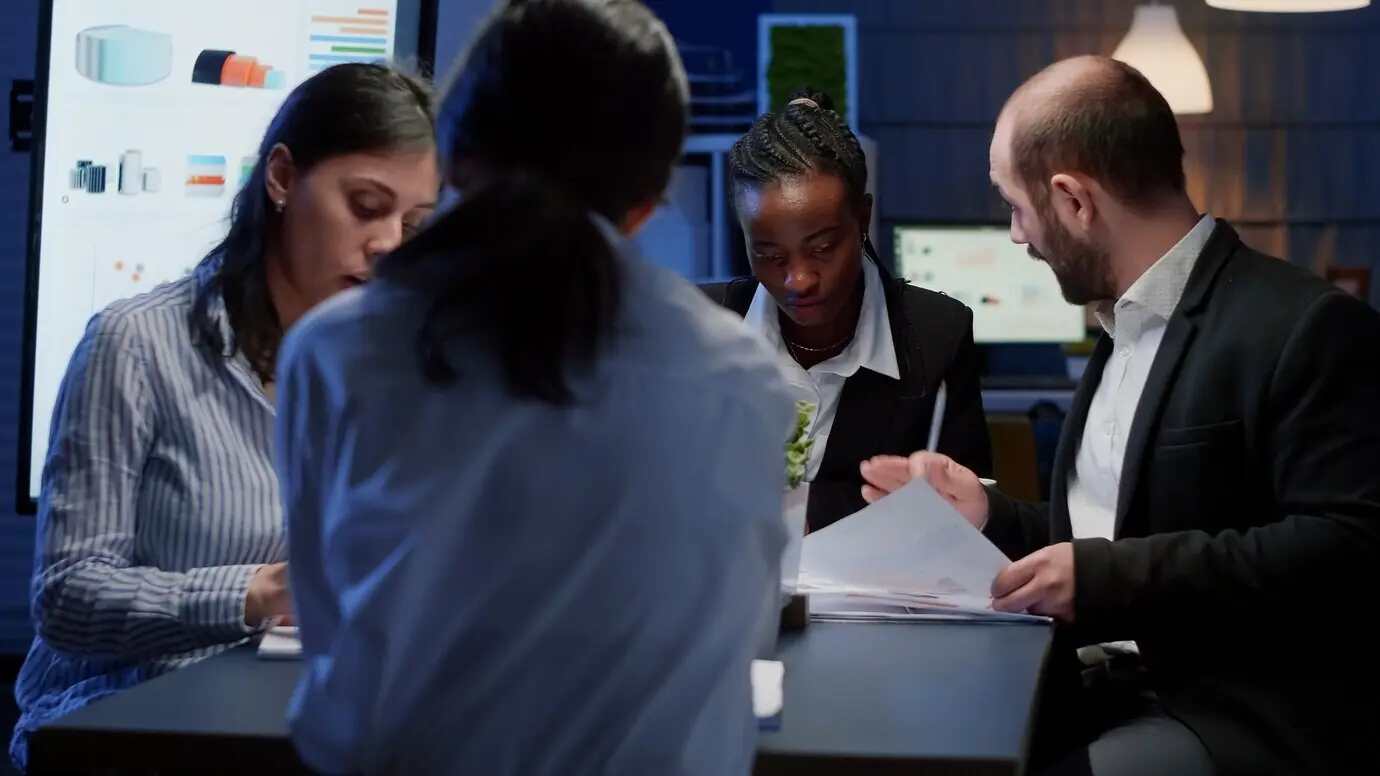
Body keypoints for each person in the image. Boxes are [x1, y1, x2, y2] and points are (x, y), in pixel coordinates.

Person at [276, 1, 794, 775]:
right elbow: (737, 642)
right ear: (648, 201)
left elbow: (327, 631)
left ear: (450, 155)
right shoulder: (742, 379)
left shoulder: (332, 351)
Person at [861, 55, 1380, 776]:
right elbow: (1114, 534)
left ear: (1075, 201)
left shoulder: (1306, 325)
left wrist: (1110, 580)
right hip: (1090, 688)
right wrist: (988, 515)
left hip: (1228, 712)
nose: (1016, 235)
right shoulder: (1120, 329)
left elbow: (1347, 546)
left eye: (1016, 206)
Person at [11, 62, 438, 771]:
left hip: (285, 715)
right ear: (281, 178)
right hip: (125, 727)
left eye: (414, 224)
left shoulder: (388, 368)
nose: (389, 243)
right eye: (366, 205)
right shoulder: (138, 344)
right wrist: (258, 592)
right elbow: (67, 597)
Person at [703, 89, 992, 532]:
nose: (798, 280)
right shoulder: (699, 329)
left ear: (863, 219)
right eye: (769, 255)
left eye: (821, 249)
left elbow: (968, 514)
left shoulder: (934, 336)